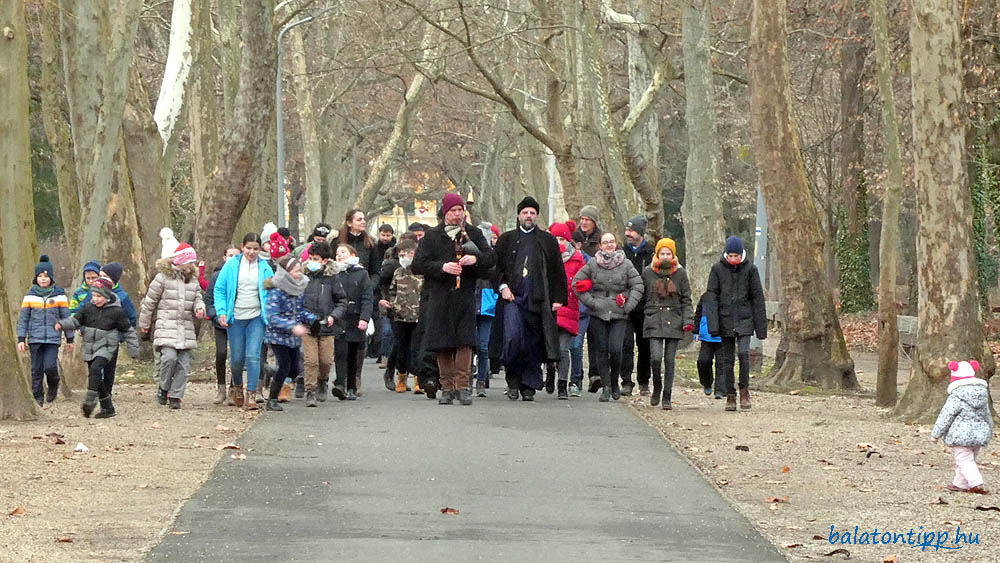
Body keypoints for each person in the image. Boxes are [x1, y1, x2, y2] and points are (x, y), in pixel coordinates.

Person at [411, 192, 495, 405]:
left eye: (460, 210)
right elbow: (418, 264)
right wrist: (442, 267)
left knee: (464, 341)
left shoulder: (474, 233)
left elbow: (490, 259)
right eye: (453, 211)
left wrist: (474, 259)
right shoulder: (433, 236)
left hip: (465, 295)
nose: (458, 215)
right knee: (443, 343)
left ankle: (463, 386)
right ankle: (446, 387)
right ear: (446, 213)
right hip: (440, 295)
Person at [493, 196, 566, 401]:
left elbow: (557, 270)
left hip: (538, 300)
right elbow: (496, 268)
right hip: (513, 300)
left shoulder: (547, 240)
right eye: (525, 212)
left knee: (534, 344)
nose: (528, 216)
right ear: (518, 215)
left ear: (536, 216)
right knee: (513, 338)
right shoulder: (506, 240)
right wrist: (503, 287)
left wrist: (558, 297)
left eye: (532, 213)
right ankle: (513, 380)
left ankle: (528, 386)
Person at [573, 233, 643, 402]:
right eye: (606, 242)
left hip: (619, 313)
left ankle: (614, 379)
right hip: (598, 312)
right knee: (602, 349)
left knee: (616, 349)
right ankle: (606, 386)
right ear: (601, 246)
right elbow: (576, 283)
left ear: (616, 244)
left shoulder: (626, 264)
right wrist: (591, 302)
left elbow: (638, 285)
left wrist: (628, 305)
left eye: (612, 242)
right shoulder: (592, 263)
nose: (609, 245)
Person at [55, 279, 139, 418]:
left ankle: (90, 402)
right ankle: (108, 407)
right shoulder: (88, 308)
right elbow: (76, 320)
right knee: (95, 377)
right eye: (94, 295)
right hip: (90, 346)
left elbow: (128, 330)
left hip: (107, 346)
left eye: (99, 296)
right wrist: (62, 324)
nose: (96, 299)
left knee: (95, 370)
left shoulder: (116, 311)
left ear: (107, 296)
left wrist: (133, 349)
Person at [139, 242, 207, 409]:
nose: (193, 265)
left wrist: (200, 308)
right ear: (181, 261)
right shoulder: (162, 278)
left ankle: (176, 395)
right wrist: (144, 325)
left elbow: (198, 297)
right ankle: (163, 386)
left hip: (185, 327)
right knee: (169, 358)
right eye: (190, 261)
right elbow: (149, 303)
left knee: (183, 364)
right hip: (165, 326)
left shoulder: (193, 281)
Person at [213, 233, 275, 409]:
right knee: (237, 358)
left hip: (256, 317)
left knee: (254, 356)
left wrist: (270, 312)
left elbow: (272, 292)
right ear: (242, 247)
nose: (252, 252)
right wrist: (222, 311)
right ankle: (238, 388)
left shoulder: (265, 268)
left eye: (255, 249)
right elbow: (220, 289)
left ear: (260, 249)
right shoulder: (231, 265)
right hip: (236, 318)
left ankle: (251, 394)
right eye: (249, 248)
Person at [706, 236, 766, 411]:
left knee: (743, 354)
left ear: (741, 254)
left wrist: (760, 328)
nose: (733, 259)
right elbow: (712, 298)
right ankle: (730, 394)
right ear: (726, 254)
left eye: (736, 256)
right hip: (725, 319)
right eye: (731, 256)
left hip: (745, 318)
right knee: (727, 360)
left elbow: (757, 299)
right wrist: (713, 325)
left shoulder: (751, 270)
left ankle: (744, 390)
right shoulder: (717, 269)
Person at [641, 238, 693, 409]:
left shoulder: (680, 273)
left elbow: (686, 300)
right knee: (655, 358)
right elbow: (641, 295)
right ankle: (657, 386)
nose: (665, 257)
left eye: (668, 253)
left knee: (670, 360)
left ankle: (667, 396)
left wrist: (688, 321)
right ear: (657, 254)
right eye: (662, 253)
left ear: (673, 254)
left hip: (674, 320)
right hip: (653, 319)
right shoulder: (648, 273)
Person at [17, 256, 74, 406]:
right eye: (40, 276)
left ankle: (54, 383)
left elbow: (66, 317)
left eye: (46, 276)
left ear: (51, 277)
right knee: (36, 370)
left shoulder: (59, 295)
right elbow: (23, 319)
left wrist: (70, 338)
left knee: (50, 366)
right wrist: (21, 338)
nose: (43, 279)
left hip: (52, 339)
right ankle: (38, 400)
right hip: (35, 338)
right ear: (36, 278)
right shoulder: (29, 296)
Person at [263, 254, 317, 411]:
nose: (299, 274)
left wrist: (313, 319)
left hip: (294, 338)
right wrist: (292, 326)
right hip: (277, 337)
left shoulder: (298, 289)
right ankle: (272, 399)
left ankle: (271, 371)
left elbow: (300, 310)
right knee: (285, 366)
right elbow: (272, 317)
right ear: (285, 273)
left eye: (300, 271)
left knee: (295, 369)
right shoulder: (276, 291)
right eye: (295, 271)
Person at [932, 360, 993, 495]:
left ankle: (976, 482)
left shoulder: (956, 396)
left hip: (961, 434)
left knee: (964, 459)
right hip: (979, 434)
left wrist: (936, 434)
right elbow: (987, 415)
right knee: (968, 459)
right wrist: (990, 431)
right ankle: (959, 483)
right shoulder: (982, 395)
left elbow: (946, 415)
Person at [301, 241, 348, 406]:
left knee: (326, 360)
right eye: (310, 258)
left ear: (325, 261)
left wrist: (334, 316)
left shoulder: (332, 278)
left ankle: (323, 379)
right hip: (307, 325)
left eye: (316, 259)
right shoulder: (303, 276)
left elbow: (342, 301)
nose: (312, 262)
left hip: (327, 326)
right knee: (311, 360)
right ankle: (310, 391)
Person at [549, 222, 585, 400]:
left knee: (563, 349)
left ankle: (562, 384)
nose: (558, 242)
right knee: (548, 347)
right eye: (555, 239)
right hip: (548, 309)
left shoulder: (578, 260)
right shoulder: (545, 257)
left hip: (568, 310)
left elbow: (583, 280)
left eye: (562, 239)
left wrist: (582, 287)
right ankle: (549, 370)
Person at [333, 244, 374, 400]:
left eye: (343, 252)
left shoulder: (362, 274)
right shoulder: (334, 273)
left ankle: (351, 386)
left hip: (355, 318)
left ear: (352, 254)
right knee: (340, 352)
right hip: (339, 318)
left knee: (352, 354)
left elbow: (367, 297)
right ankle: (340, 384)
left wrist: (365, 317)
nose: (339, 255)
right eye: (337, 253)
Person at [205, 245, 241, 405]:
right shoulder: (216, 276)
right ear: (224, 257)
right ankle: (221, 388)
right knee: (221, 353)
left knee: (237, 356)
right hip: (220, 323)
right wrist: (216, 316)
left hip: (237, 322)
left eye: (236, 255)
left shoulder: (243, 276)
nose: (233, 258)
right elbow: (209, 300)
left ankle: (235, 388)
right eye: (230, 255)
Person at [622, 215, 654, 396]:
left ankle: (644, 381)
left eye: (632, 231)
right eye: (627, 230)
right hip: (626, 307)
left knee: (645, 346)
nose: (628, 234)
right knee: (626, 344)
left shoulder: (651, 254)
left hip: (645, 308)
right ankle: (626, 380)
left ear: (640, 233)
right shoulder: (622, 252)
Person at [385, 239, 422, 393]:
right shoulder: (398, 272)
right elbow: (392, 291)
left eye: (403, 255)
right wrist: (393, 305)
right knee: (402, 347)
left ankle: (419, 379)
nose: (402, 258)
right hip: (401, 316)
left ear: (412, 253)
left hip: (419, 316)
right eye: (399, 255)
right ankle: (401, 377)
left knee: (417, 348)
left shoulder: (422, 272)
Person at [474, 222, 499, 397]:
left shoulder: (493, 257)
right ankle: (465, 380)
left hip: (487, 304)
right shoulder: (467, 253)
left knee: (483, 347)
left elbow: (496, 276)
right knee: (467, 346)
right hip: (469, 303)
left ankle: (481, 382)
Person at [569, 229, 591, 395]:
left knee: (576, 346)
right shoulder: (561, 259)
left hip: (581, 311)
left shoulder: (589, 263)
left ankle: (576, 379)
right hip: (564, 308)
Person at [693, 292, 724, 398]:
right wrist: (696, 331)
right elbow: (698, 314)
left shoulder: (729, 296)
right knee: (703, 361)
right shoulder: (705, 297)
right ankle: (707, 382)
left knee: (721, 364)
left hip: (723, 337)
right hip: (706, 336)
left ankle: (720, 390)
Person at [337, 209, 380, 280]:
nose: (363, 222)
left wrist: (370, 286)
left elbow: (375, 271)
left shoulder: (370, 243)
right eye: (359, 220)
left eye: (364, 219)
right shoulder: (337, 241)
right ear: (349, 223)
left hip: (364, 286)